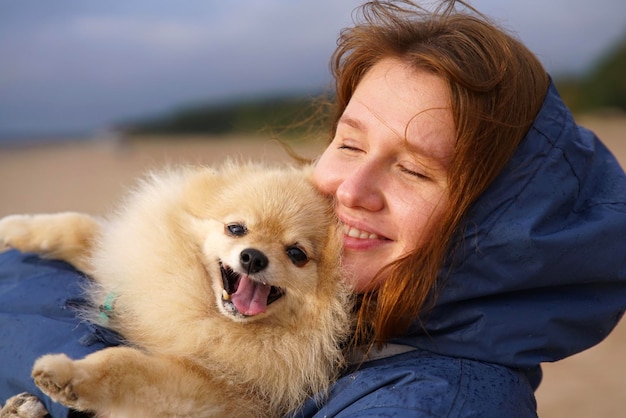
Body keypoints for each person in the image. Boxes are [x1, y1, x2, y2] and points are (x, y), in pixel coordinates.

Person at [1, 1, 625, 417]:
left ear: (495, 220)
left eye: (413, 169)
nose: (352, 188)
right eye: (349, 142)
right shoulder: (363, 322)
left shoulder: (439, 400)